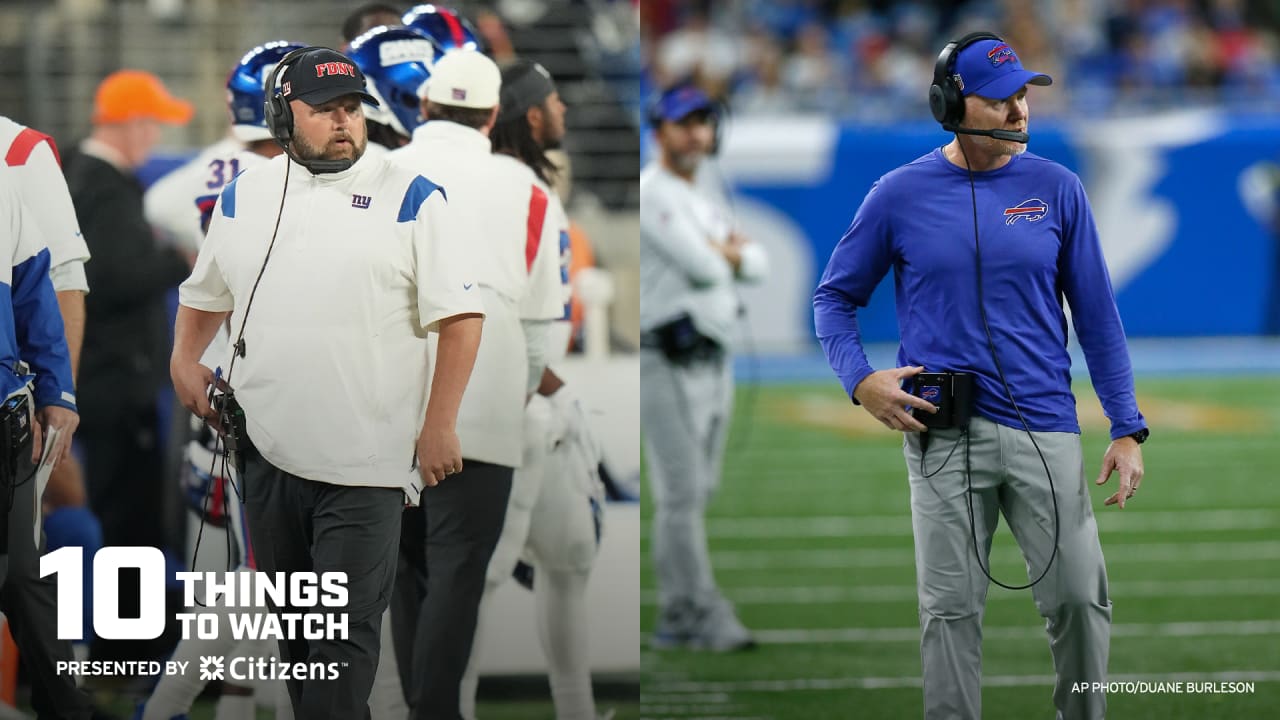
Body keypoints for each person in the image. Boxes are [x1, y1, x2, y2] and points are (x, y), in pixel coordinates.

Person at [812, 32, 1148, 720]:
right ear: (951, 103)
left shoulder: (1059, 188)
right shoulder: (897, 194)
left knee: (1081, 602)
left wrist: (1126, 426)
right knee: (949, 614)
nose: (1021, 110)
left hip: (1046, 426)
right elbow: (833, 298)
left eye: (1024, 94)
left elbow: (1098, 316)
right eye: (1001, 100)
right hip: (945, 436)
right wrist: (860, 379)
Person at [171, 46, 483, 719]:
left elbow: (460, 319)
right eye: (325, 109)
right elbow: (205, 292)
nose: (345, 121)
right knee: (304, 650)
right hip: (268, 454)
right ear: (284, 116)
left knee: (340, 646)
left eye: (352, 107)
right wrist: (183, 357)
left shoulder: (413, 196)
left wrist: (440, 423)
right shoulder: (242, 196)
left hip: (366, 463)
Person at [137, 41, 302, 720]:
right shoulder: (289, 182)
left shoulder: (201, 179)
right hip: (266, 392)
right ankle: (168, 705)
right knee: (265, 589)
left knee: (235, 588)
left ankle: (185, 704)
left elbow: (164, 206)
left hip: (217, 386)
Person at [460, 58, 607, 720]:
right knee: (483, 575)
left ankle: (575, 708)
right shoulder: (513, 189)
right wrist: (540, 391)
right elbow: (516, 318)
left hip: (532, 393)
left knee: (571, 549)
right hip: (509, 399)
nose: (565, 112)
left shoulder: (520, 184)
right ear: (525, 114)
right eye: (553, 100)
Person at [62, 68, 195, 663]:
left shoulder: (80, 178)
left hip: (103, 377)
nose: (155, 139)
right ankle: (127, 651)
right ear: (133, 125)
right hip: (117, 382)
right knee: (127, 522)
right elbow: (110, 279)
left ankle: (118, 648)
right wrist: (180, 260)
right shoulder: (104, 186)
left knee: (120, 517)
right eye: (153, 125)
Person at [640, 81, 766, 653]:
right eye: (683, 122)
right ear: (659, 129)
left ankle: (678, 611)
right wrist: (730, 254)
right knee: (683, 494)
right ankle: (697, 612)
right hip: (665, 357)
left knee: (695, 491)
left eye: (703, 122)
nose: (696, 133)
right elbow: (707, 267)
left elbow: (756, 265)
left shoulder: (703, 195)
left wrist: (730, 256)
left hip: (710, 358)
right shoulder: (654, 191)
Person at [0, 114, 102, 658]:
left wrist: (56, 398)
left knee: (58, 506)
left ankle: (70, 670)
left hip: (11, 396)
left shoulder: (17, 149)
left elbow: (62, 279)